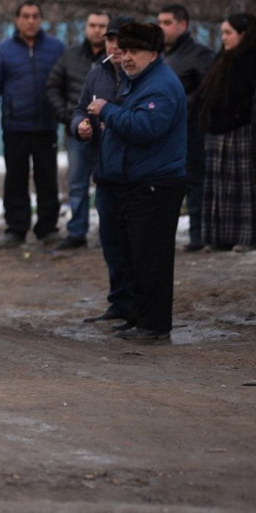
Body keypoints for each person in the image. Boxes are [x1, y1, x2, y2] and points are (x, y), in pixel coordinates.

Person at [86, 22, 186, 342]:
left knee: (151, 259)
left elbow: (146, 127)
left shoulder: (161, 85)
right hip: (136, 183)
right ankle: (141, 318)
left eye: (134, 51)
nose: (126, 57)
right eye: (124, 50)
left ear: (153, 53)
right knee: (137, 257)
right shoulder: (139, 80)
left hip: (156, 185)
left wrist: (107, 111)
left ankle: (154, 326)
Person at [0, 0, 65, 247]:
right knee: (15, 180)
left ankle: (48, 228)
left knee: (47, 179)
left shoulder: (56, 48)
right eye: (26, 16)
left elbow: (66, 84)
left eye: (35, 16)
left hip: (46, 126)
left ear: (41, 19)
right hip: (15, 126)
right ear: (17, 20)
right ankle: (16, 229)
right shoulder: (3, 51)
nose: (31, 20)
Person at [72, 18, 133, 325]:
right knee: (110, 239)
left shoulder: (139, 76)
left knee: (131, 241)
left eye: (120, 40)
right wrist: (80, 125)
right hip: (105, 169)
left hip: (134, 172)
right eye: (110, 40)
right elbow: (81, 108)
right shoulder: (98, 73)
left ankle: (138, 305)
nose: (114, 46)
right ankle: (119, 301)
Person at [46, 10, 110, 249]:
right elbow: (52, 87)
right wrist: (68, 117)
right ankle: (77, 232)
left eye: (102, 26)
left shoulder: (116, 59)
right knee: (77, 183)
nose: (97, 30)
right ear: (85, 27)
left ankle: (109, 231)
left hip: (108, 132)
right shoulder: (69, 56)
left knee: (109, 182)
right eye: (92, 25)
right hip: (78, 132)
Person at [195, 13, 256, 252]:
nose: (223, 38)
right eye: (222, 33)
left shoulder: (250, 61)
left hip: (240, 130)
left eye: (228, 33)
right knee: (217, 186)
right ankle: (217, 236)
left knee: (240, 187)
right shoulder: (222, 59)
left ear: (243, 34)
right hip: (216, 129)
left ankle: (245, 236)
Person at [157, 4, 215, 252]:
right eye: (159, 22)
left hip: (191, 129)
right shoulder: (159, 55)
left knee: (194, 181)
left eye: (167, 23)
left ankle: (198, 233)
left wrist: (178, 106)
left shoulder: (199, 55)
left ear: (183, 25)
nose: (162, 27)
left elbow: (207, 91)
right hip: (163, 131)